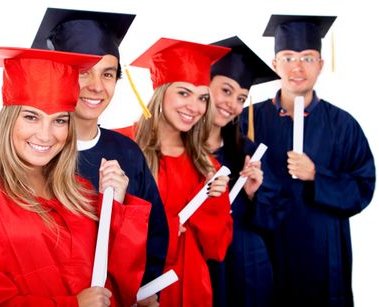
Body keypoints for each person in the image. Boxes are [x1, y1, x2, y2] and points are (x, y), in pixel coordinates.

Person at [0, 47, 152, 306]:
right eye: (31, 117)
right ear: (9, 121)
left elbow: (115, 285)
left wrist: (114, 207)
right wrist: (72, 305)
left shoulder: (80, 192)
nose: (45, 135)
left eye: (60, 121)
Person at [240, 15, 376, 307]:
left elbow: (364, 187)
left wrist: (318, 175)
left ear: (321, 65)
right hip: (264, 250)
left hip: (322, 254)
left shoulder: (342, 125)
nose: (297, 67)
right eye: (287, 57)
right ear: (274, 64)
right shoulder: (248, 120)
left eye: (307, 58)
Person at [31, 8, 169, 292]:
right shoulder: (35, 152)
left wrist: (145, 292)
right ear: (58, 73)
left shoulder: (127, 153)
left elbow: (154, 236)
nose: (96, 87)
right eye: (83, 72)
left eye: (107, 73)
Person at [121, 37, 233, 307]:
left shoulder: (206, 165)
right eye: (183, 93)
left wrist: (215, 198)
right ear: (160, 91)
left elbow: (217, 248)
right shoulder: (121, 146)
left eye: (202, 97)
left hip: (191, 286)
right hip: (137, 286)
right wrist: (167, 228)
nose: (195, 107)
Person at [206, 35, 279, 307]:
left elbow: (272, 220)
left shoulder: (249, 153)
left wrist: (253, 195)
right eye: (226, 90)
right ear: (205, 85)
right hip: (201, 264)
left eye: (241, 98)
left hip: (246, 264)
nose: (232, 104)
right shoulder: (178, 148)